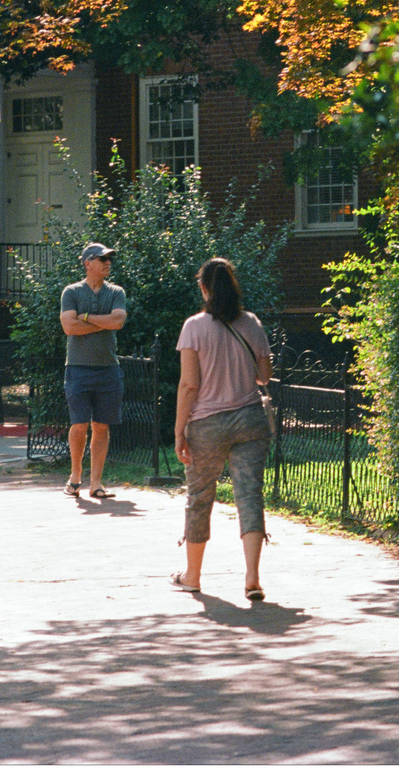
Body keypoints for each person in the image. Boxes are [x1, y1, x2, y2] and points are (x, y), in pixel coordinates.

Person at [171, 256, 273, 600]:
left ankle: (193, 575)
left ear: (204, 289)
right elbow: (265, 376)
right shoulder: (252, 324)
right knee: (249, 495)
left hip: (206, 424)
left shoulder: (193, 327)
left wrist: (178, 430)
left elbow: (189, 385)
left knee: (200, 498)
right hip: (249, 419)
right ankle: (252, 577)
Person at [59, 242, 127, 499]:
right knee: (79, 424)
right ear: (88, 263)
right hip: (77, 368)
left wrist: (85, 318)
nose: (108, 263)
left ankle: (95, 483)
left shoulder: (116, 291)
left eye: (110, 259)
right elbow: (69, 327)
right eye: (102, 259)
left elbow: (118, 321)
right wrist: (103, 322)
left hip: (108, 369)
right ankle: (75, 475)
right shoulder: (71, 292)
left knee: (102, 426)